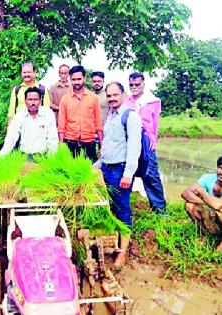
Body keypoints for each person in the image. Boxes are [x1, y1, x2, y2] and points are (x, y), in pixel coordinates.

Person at [94, 82, 142, 267]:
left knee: (122, 209)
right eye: (109, 95)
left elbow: (134, 147)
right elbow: (108, 146)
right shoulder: (111, 116)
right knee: (107, 206)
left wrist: (128, 173)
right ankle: (109, 243)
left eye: (116, 95)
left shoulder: (130, 117)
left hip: (120, 170)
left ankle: (122, 252)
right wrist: (97, 165)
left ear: (123, 95)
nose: (112, 98)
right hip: (106, 168)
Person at [123, 71, 167, 214]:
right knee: (126, 171)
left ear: (143, 84)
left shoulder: (153, 101)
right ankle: (123, 207)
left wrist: (153, 142)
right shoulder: (126, 101)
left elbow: (155, 124)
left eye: (137, 84)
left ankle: (160, 210)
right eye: (131, 84)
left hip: (146, 141)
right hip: (129, 141)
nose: (134, 87)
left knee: (151, 175)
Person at [181, 156, 222, 252]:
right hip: (213, 216)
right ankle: (205, 233)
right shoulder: (207, 178)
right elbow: (185, 193)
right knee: (190, 205)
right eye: (220, 167)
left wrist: (202, 192)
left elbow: (217, 205)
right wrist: (204, 202)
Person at [58, 65, 103, 162]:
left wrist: (101, 145)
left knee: (90, 174)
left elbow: (98, 123)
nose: (76, 82)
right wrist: (61, 144)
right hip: (70, 143)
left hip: (89, 143)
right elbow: (61, 124)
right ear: (70, 79)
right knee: (69, 174)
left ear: (84, 78)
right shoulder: (65, 99)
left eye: (79, 79)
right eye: (73, 79)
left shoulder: (93, 98)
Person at [0, 87, 58, 157]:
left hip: (43, 156)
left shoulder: (48, 114)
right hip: (24, 156)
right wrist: (2, 156)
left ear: (40, 100)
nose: (33, 103)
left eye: (36, 99)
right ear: (25, 101)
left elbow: (52, 137)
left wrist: (52, 158)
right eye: (30, 99)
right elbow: (11, 137)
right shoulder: (19, 116)